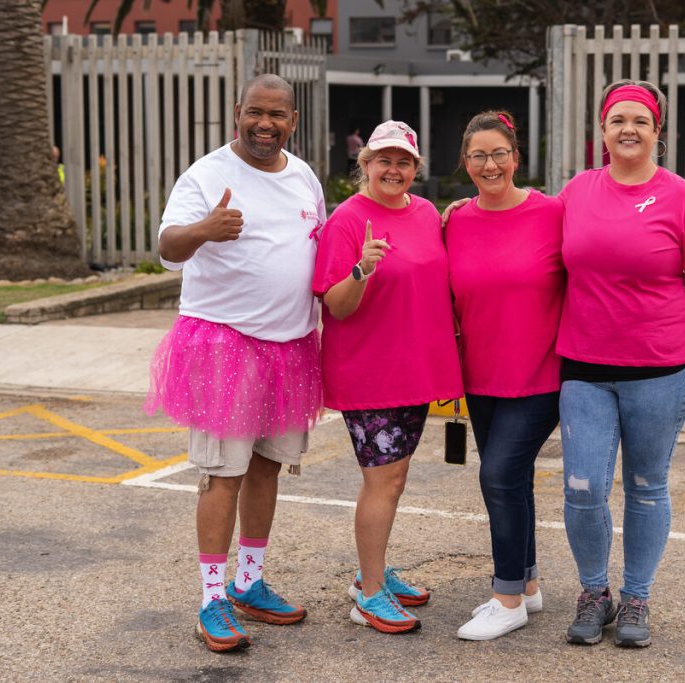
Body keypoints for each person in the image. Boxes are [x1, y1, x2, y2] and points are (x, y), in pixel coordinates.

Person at [144, 74, 326, 653]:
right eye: (255, 113)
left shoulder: (304, 176)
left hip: (291, 346)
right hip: (226, 344)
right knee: (222, 473)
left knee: (268, 468)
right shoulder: (207, 174)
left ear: (293, 121)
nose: (265, 124)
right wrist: (204, 230)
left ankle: (250, 581)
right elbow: (168, 247)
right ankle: (212, 597)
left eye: (277, 114)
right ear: (237, 113)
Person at [557, 79, 685, 647]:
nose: (628, 129)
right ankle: (594, 593)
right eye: (617, 119)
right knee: (582, 488)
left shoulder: (681, 197)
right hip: (584, 368)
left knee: (647, 486)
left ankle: (636, 600)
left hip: (661, 369)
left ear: (657, 133)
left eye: (640, 121)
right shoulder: (577, 190)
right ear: (602, 131)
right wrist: (464, 213)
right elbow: (526, 234)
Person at [312, 120, 463, 634]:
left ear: (415, 169)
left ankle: (371, 573)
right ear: (366, 164)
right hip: (369, 372)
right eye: (384, 160)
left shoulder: (425, 214)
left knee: (395, 480)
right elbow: (335, 304)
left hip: (414, 369)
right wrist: (361, 270)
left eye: (403, 161)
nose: (393, 170)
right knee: (384, 480)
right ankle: (369, 595)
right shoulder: (349, 220)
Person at [444, 111, 565, 641]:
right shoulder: (456, 221)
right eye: (478, 156)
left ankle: (507, 597)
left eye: (498, 154)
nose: (489, 164)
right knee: (512, 481)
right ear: (465, 164)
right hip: (481, 375)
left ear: (516, 158)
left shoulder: (554, 213)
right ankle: (529, 584)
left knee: (496, 476)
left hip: (542, 375)